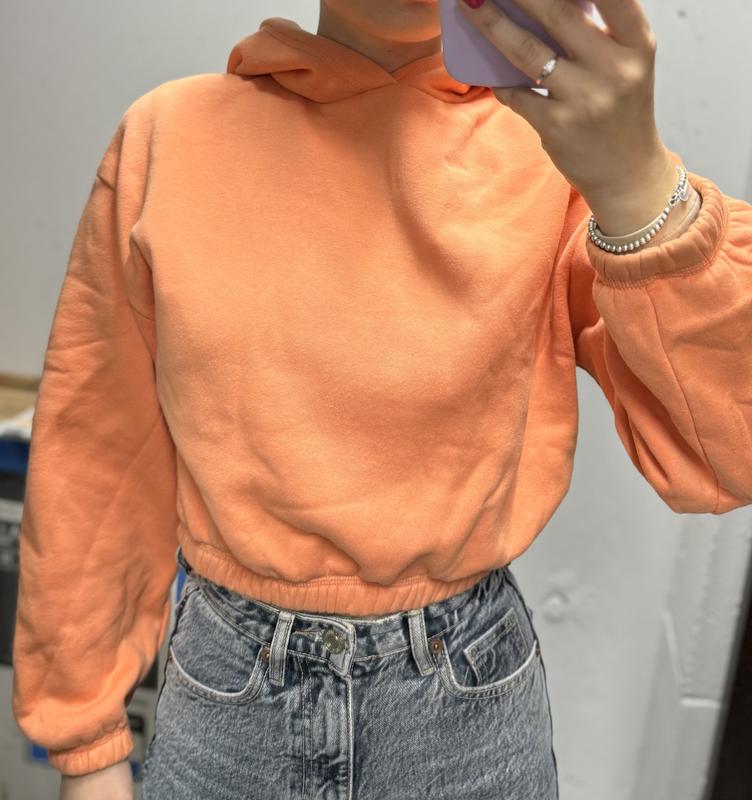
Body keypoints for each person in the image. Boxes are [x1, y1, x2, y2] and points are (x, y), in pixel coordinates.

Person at [12, 0, 752, 798]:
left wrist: (637, 184)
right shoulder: (169, 138)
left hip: (465, 710)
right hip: (224, 701)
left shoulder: (556, 154)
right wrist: (86, 743)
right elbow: (97, 454)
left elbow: (726, 451)